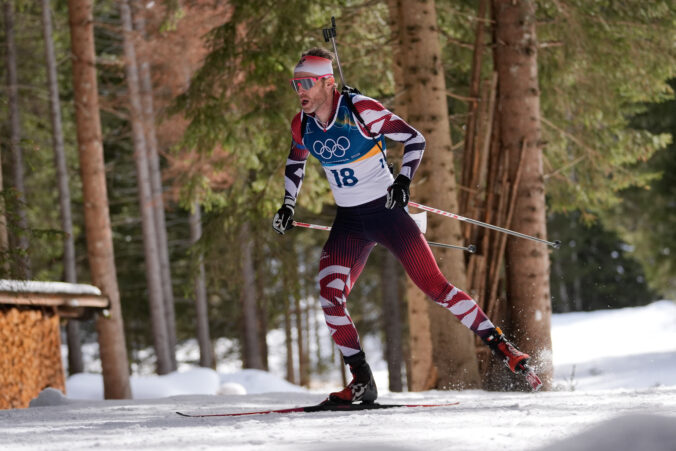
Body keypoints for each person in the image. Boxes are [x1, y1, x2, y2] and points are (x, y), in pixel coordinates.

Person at [273, 47, 533, 404]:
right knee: (329, 295)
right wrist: (288, 204)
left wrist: (403, 182)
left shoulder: (361, 110)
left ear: (328, 83)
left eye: (307, 83)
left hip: (388, 214)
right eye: (295, 84)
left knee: (436, 288)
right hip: (349, 222)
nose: (300, 91)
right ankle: (362, 380)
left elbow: (415, 138)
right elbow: (296, 161)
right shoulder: (302, 124)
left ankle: (504, 348)